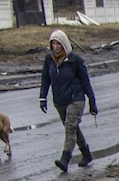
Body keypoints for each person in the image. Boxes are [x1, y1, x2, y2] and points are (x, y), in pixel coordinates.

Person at [39, 30, 98, 173]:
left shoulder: (75, 61)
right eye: (53, 43)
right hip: (59, 101)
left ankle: (65, 159)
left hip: (75, 100)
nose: (56, 47)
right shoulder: (49, 60)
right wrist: (42, 98)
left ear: (64, 44)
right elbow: (45, 79)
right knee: (73, 128)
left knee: (70, 127)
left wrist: (92, 101)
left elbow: (85, 83)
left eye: (59, 43)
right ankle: (86, 154)